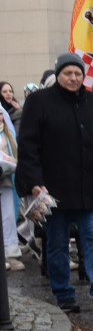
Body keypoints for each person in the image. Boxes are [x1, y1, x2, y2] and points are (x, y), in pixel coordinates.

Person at [16, 53, 93, 313]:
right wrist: (34, 182)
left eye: (78, 73)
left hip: (89, 187)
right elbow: (28, 146)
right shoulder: (39, 102)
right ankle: (64, 294)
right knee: (57, 242)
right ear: (58, 74)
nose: (74, 78)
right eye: (68, 73)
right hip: (53, 188)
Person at [1, 108, 23, 271]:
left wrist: (12, 160)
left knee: (8, 216)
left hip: (5, 180)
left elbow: (15, 154)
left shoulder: (7, 134)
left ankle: (10, 252)